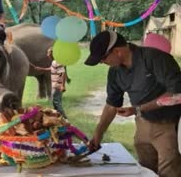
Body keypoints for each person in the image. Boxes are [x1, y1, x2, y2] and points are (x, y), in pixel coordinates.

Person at [84, 30, 181, 177]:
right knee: (146, 170)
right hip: (142, 123)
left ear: (117, 51)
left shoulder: (154, 58)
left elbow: (176, 94)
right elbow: (112, 104)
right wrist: (98, 134)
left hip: (168, 124)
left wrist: (138, 109)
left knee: (169, 172)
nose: (102, 62)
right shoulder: (115, 72)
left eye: (103, 58)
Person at [34, 47, 68, 119]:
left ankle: (64, 118)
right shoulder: (54, 62)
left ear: (52, 54)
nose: (47, 55)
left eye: (48, 53)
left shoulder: (57, 62)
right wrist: (41, 69)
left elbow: (63, 73)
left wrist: (62, 85)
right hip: (55, 85)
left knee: (56, 103)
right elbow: (51, 68)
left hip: (57, 86)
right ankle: (58, 118)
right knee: (55, 102)